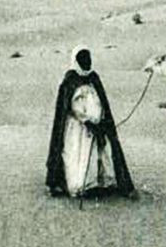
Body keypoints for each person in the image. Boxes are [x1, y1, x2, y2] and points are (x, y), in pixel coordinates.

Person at [45, 46, 137, 200]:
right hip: (78, 129)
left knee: (100, 153)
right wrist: (87, 121)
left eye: (88, 58)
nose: (87, 62)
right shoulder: (70, 80)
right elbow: (71, 106)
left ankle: (99, 184)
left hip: (97, 125)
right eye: (83, 59)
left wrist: (101, 122)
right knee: (77, 155)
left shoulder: (94, 78)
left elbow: (102, 102)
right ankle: (78, 185)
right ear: (76, 60)